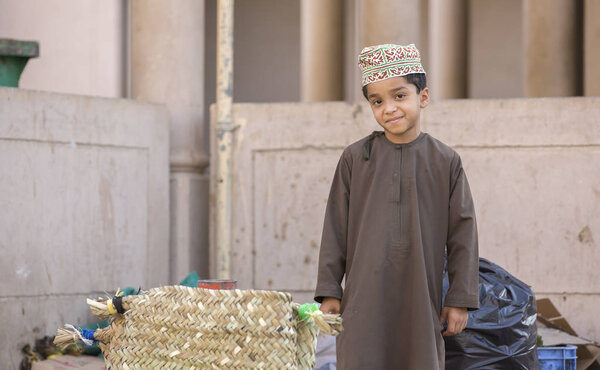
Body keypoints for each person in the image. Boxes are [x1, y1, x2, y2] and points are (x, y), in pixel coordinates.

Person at [314, 43, 480, 369]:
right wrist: (330, 290)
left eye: (399, 96)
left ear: (424, 97)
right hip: (364, 296)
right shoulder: (355, 159)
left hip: (422, 296)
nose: (388, 108)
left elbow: (463, 233)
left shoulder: (445, 161)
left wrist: (459, 299)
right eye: (377, 101)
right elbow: (335, 227)